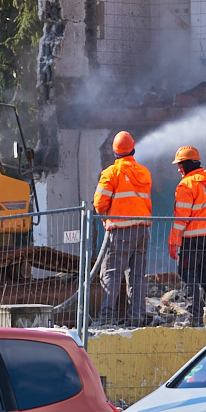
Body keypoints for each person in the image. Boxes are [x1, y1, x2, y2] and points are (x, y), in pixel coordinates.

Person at [93, 131, 153, 323]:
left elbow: (99, 204)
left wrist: (106, 217)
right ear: (133, 149)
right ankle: (137, 317)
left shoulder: (111, 173)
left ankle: (107, 317)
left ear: (115, 152)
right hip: (142, 229)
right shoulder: (144, 172)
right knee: (137, 275)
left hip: (121, 230)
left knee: (111, 272)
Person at [168, 144, 206, 326]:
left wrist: (173, 241)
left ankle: (194, 318)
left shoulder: (187, 184)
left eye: (180, 164)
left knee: (187, 275)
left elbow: (181, 218)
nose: (178, 168)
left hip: (191, 238)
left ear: (188, 164)